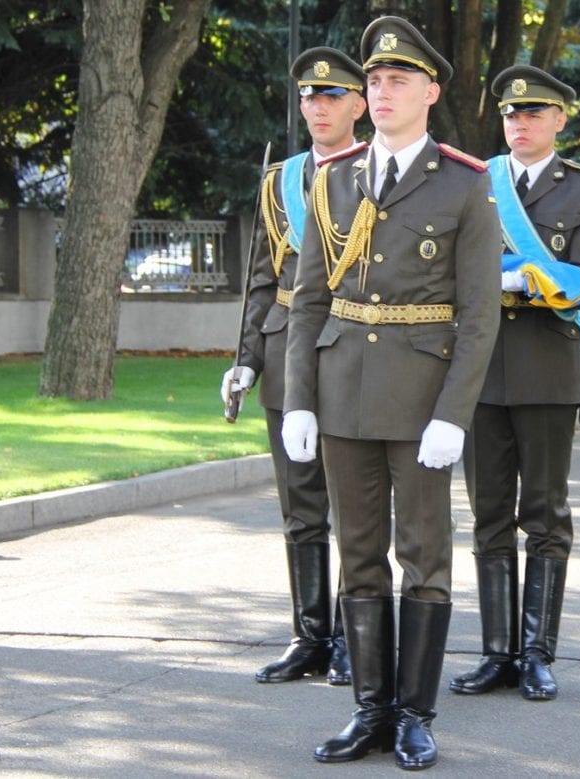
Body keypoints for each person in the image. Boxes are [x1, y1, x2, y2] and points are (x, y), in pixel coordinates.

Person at [281, 15, 500, 771]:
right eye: (374, 81)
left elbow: (480, 316)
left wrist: (454, 414)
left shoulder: (465, 184)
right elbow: (310, 298)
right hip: (343, 392)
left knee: (424, 556)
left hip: (421, 401)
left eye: (397, 80)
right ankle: (369, 710)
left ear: (430, 92)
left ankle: (414, 713)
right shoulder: (334, 178)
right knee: (359, 552)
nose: (381, 92)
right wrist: (300, 396)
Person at [450, 66, 580, 701]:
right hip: (480, 367)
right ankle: (497, 654)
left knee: (544, 514)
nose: (521, 123)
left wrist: (518, 280)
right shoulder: (474, 182)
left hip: (548, 365)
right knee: (488, 513)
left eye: (535, 114)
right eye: (513, 115)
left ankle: (538, 652)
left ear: (559, 121)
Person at [221, 46, 368, 687]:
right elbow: (260, 279)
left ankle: (353, 642)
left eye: (331, 96)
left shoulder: (378, 170)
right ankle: (310, 635)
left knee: (354, 506)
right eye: (309, 97)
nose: (317, 107)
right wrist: (247, 360)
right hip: (285, 352)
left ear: (358, 106)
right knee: (301, 505)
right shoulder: (280, 180)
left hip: (353, 347)